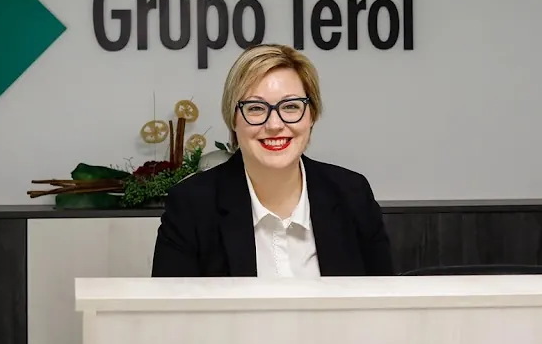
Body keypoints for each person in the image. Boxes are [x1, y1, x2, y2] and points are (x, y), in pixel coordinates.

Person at [151, 43, 394, 277]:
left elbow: (386, 299)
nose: (275, 124)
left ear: (312, 115)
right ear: (233, 119)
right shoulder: (191, 206)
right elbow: (171, 306)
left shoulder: (352, 195)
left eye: (290, 106)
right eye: (256, 108)